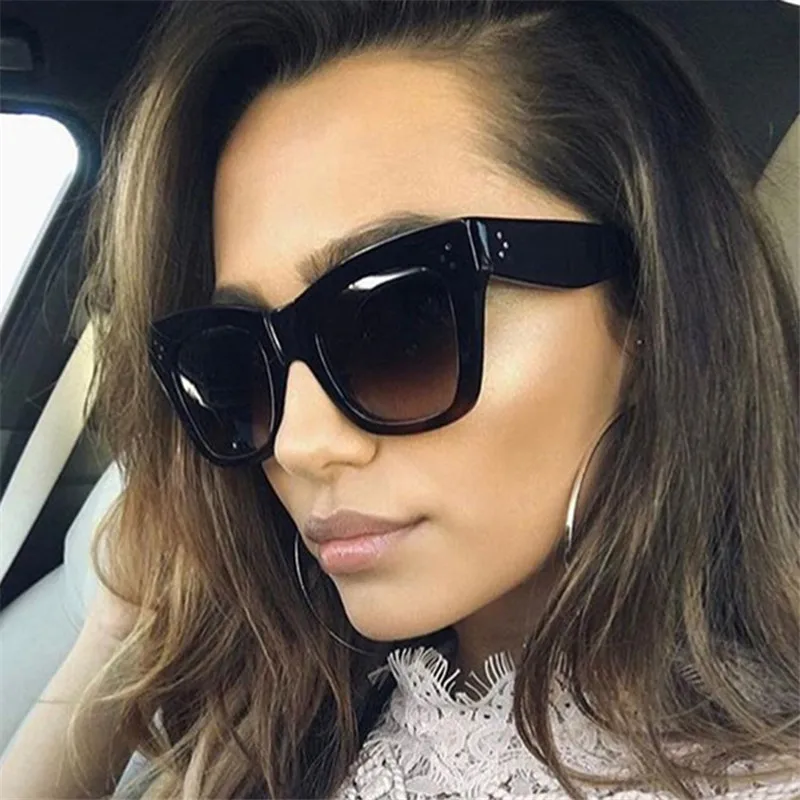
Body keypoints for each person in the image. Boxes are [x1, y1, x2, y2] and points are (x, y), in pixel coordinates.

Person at [1, 1, 798, 798]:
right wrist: (120, 628)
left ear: (653, 306)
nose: (298, 444)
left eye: (401, 322)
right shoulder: (283, 697)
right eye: (237, 360)